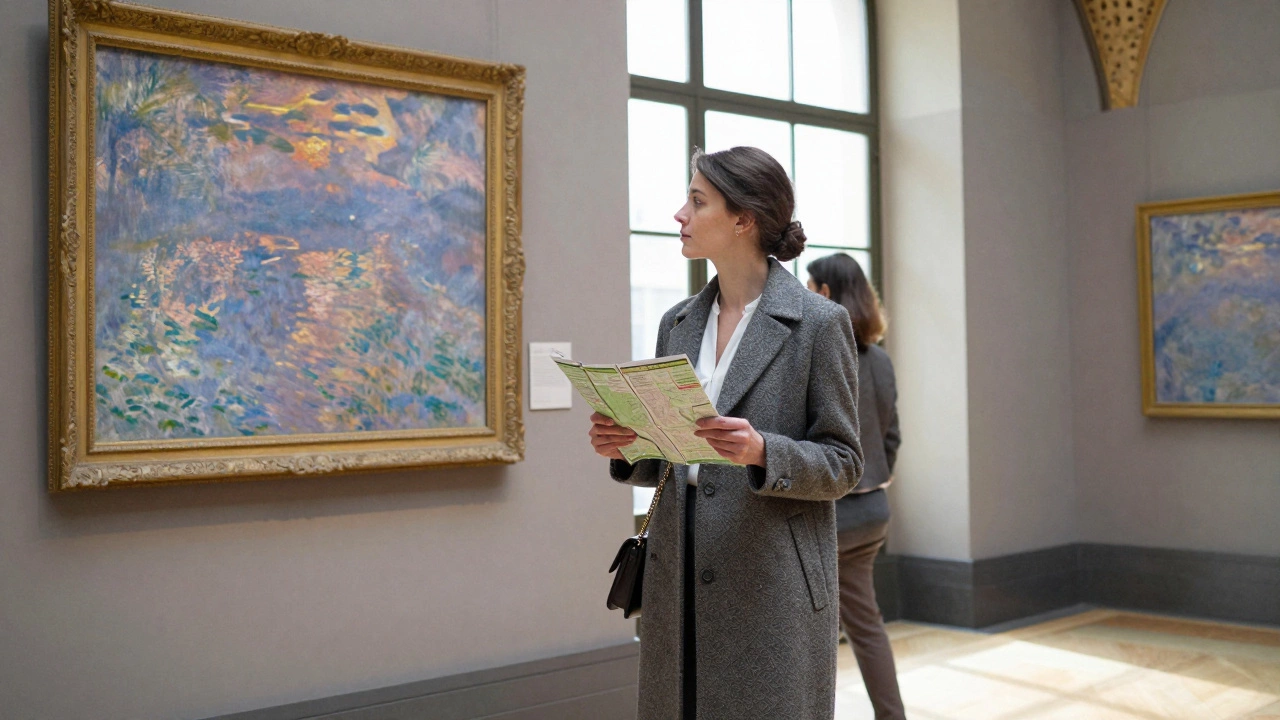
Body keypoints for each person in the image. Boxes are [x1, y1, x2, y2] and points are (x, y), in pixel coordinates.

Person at [588, 146, 864, 720]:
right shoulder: (678, 322)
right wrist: (628, 446)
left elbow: (843, 463)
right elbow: (674, 452)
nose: (680, 215)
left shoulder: (819, 324)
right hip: (678, 566)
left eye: (697, 201)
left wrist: (764, 452)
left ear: (744, 219)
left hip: (770, 578)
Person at [806, 252, 905, 720]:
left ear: (825, 293)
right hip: (873, 512)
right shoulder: (881, 360)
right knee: (867, 628)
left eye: (810, 289)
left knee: (808, 636)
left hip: (829, 515)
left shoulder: (821, 355)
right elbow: (892, 438)